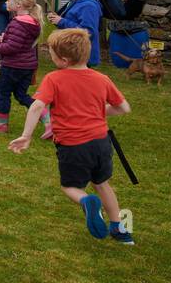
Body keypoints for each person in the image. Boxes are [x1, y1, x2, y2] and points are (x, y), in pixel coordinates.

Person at [9, 28, 133, 244]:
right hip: (101, 143)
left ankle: (86, 202)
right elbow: (123, 108)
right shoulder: (102, 78)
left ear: (63, 59)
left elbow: (37, 106)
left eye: (52, 53)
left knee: (71, 187)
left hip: (73, 146)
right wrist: (96, 111)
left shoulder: (54, 79)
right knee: (102, 183)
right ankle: (120, 230)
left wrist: (26, 136)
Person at [0, 0, 52, 136]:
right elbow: (19, 42)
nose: (6, 2)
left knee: (3, 92)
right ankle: (47, 118)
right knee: (21, 95)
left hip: (14, 65)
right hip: (27, 65)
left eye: (8, 0)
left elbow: (12, 47)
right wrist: (2, 39)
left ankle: (0, 123)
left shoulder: (18, 23)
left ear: (18, 4)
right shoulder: (32, 22)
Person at [49, 0, 103, 67]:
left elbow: (88, 31)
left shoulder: (88, 5)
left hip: (82, 55)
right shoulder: (74, 2)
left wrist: (61, 21)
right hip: (71, 53)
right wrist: (57, 20)